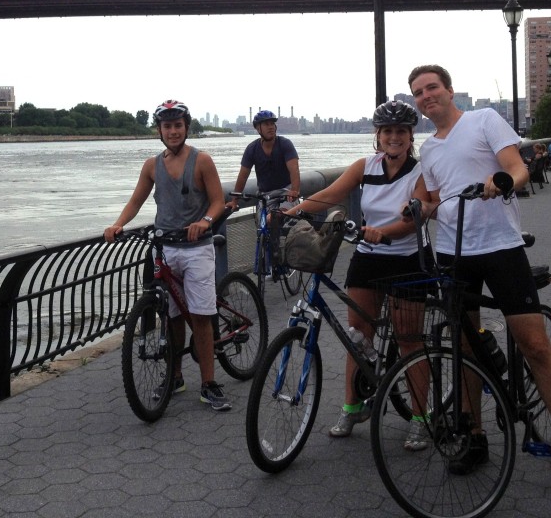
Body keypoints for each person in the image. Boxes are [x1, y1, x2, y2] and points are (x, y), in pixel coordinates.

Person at [408, 64, 551, 507]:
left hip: (499, 245)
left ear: (449, 91)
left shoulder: (484, 120)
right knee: (465, 347)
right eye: (417, 92)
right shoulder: (428, 150)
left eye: (432, 87)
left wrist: (503, 181)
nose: (425, 96)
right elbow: (432, 198)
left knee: (533, 344)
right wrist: (419, 209)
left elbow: (517, 166)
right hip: (453, 252)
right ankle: (476, 438)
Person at [285, 100, 433, 450]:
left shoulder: (421, 172)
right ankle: (353, 406)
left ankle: (420, 417)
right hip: (368, 257)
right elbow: (331, 194)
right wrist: (293, 209)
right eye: (387, 132)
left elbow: (416, 217)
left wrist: (387, 232)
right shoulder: (365, 166)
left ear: (411, 136)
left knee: (409, 339)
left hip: (407, 258)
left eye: (400, 132)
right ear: (377, 136)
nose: (393, 137)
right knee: (357, 336)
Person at [103, 99, 231, 411]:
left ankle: (209, 383)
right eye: (167, 126)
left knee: (200, 317)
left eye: (178, 125)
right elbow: (136, 201)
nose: (172, 131)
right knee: (172, 316)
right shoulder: (151, 166)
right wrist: (119, 224)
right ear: (159, 130)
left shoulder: (202, 161)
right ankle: (175, 377)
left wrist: (204, 222)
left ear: (186, 128)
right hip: (166, 248)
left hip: (197, 248)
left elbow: (217, 202)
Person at [226, 110, 301, 268]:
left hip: (285, 191)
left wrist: (294, 190)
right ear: (257, 128)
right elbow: (243, 176)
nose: (271, 127)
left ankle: (286, 252)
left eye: (272, 123)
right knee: (262, 227)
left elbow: (294, 169)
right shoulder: (252, 149)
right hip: (265, 195)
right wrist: (234, 200)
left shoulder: (285, 144)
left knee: (276, 217)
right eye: (266, 124)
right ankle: (269, 260)